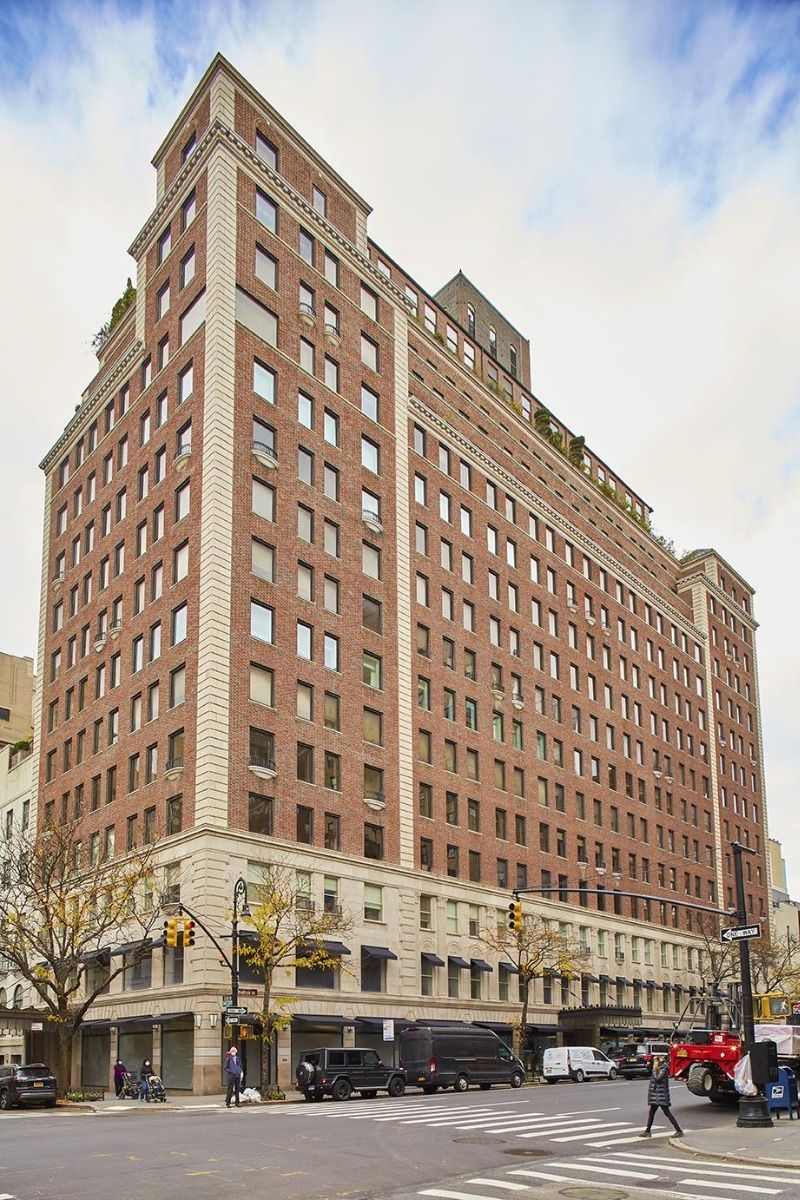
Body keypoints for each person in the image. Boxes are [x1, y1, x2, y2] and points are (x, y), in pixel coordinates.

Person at [639, 1055, 683, 1137]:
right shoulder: (659, 1069)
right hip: (656, 1096)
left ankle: (679, 1131)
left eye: (656, 1061)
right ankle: (648, 1131)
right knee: (651, 1113)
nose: (654, 1063)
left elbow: (657, 1079)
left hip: (661, 1096)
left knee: (667, 1113)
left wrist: (654, 1070)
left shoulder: (663, 1069)